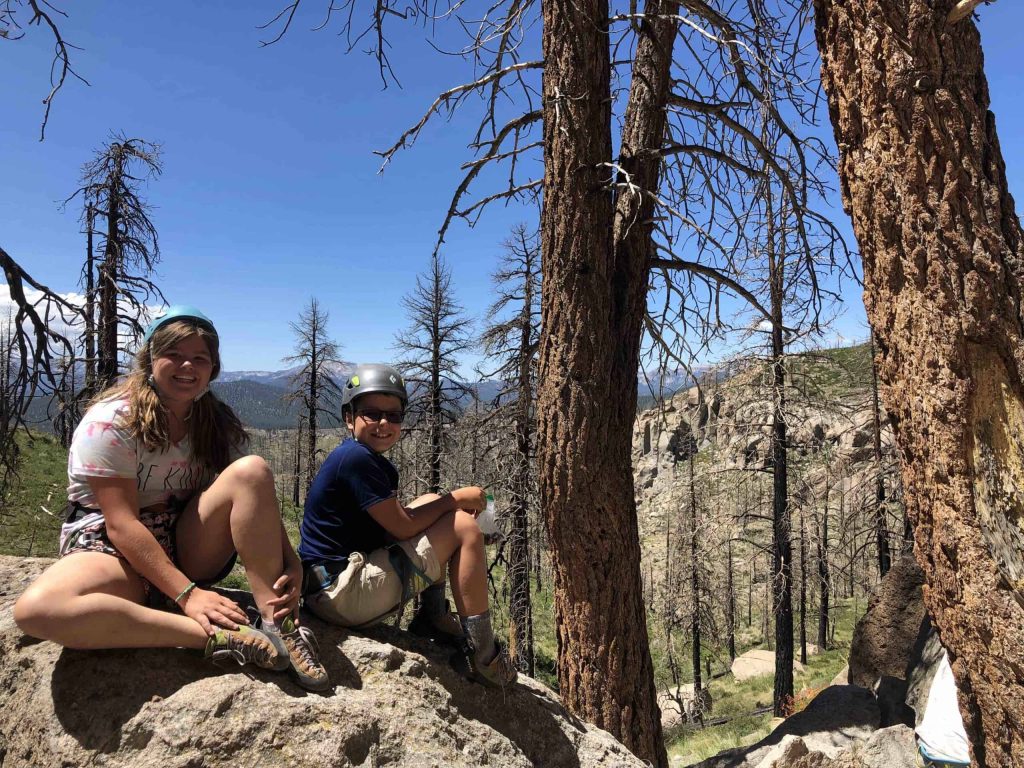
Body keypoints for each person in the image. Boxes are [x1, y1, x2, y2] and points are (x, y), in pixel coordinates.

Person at [14, 305, 330, 692]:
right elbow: (121, 524)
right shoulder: (112, 421)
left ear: (213, 368)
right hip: (112, 547)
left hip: (185, 538)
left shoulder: (215, 422)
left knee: (252, 469)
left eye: (200, 358)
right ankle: (221, 636)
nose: (187, 366)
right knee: (38, 610)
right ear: (150, 358)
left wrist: (290, 560)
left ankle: (276, 623)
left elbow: (253, 494)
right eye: (174, 354)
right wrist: (188, 595)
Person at [299, 364, 516, 689]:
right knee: (462, 526)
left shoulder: (358, 456)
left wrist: (443, 514)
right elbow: (401, 529)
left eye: (394, 416)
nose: (384, 423)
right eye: (372, 414)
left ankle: (433, 617)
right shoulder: (357, 459)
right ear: (349, 418)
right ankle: (484, 658)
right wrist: (456, 500)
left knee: (430, 501)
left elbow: (391, 529)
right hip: (340, 595)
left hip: (328, 587)